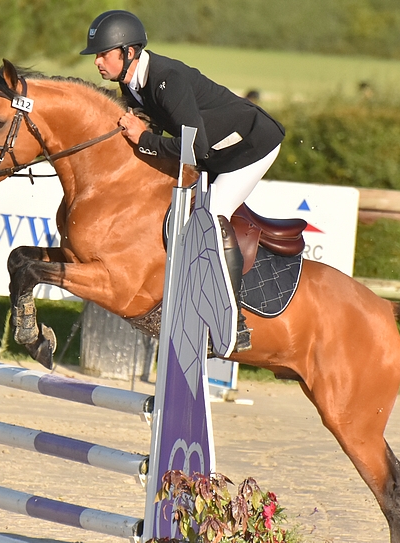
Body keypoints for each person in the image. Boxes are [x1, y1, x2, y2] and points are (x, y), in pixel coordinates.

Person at [80, 10, 286, 352]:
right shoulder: (131, 82)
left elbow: (193, 147)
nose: (97, 62)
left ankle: (234, 322)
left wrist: (144, 138)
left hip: (249, 148)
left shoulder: (166, 79)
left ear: (128, 52)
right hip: (215, 152)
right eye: (97, 55)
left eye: (103, 54)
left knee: (209, 216)